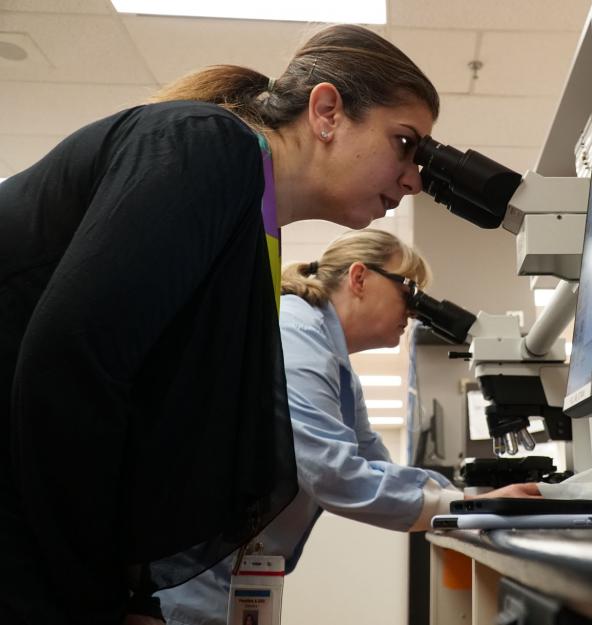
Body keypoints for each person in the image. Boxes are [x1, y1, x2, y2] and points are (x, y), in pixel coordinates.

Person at [0, 24, 438, 625]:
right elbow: (69, 366)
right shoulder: (206, 147)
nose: (414, 177)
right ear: (328, 111)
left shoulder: (251, 227)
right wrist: (95, 596)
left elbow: (142, 416)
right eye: (405, 142)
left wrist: (137, 599)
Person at [158, 229, 540, 625]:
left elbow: (375, 463)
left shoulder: (336, 366)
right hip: (192, 579)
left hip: (228, 579)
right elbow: (333, 475)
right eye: (408, 292)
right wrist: (468, 509)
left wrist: (469, 503)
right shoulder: (295, 331)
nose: (413, 312)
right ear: (359, 278)